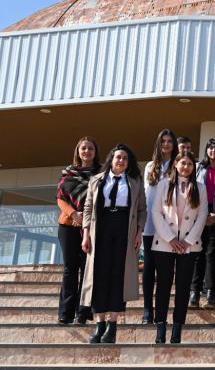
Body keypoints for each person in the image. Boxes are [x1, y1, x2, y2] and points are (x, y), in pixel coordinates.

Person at [80, 144, 146, 344]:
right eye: (118, 157)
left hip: (124, 228)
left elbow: (143, 210)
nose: (121, 161)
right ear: (111, 159)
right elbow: (88, 207)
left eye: (125, 158)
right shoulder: (96, 180)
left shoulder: (135, 182)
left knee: (119, 274)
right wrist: (85, 234)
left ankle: (113, 326)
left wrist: (139, 233)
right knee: (100, 275)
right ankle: (99, 325)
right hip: (100, 229)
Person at [150, 152, 208, 343]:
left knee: (183, 287)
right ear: (175, 164)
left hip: (188, 246)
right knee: (163, 286)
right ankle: (160, 327)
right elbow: (156, 213)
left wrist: (188, 241)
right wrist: (170, 238)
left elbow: (202, 216)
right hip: (165, 243)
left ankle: (177, 329)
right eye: (183, 163)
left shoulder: (200, 187)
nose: (186, 166)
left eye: (190, 164)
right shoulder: (163, 185)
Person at [56, 137, 100, 325]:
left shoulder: (101, 174)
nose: (87, 151)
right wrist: (74, 214)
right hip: (68, 226)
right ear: (78, 151)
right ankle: (65, 313)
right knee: (69, 270)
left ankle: (82, 313)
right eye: (83, 148)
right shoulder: (68, 173)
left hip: (91, 227)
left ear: (95, 152)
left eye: (90, 148)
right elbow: (60, 198)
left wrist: (87, 218)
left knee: (87, 270)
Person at [141, 128, 177, 324]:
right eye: (163, 141)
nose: (166, 144)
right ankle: (148, 310)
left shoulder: (178, 166)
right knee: (149, 268)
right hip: (149, 224)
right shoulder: (149, 167)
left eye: (170, 141)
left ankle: (161, 310)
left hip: (169, 225)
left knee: (165, 271)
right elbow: (146, 195)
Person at [190, 138, 215, 309]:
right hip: (199, 213)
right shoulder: (198, 168)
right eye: (211, 147)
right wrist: (202, 213)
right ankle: (194, 292)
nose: (214, 151)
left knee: (212, 254)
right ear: (206, 150)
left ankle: (210, 292)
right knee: (198, 254)